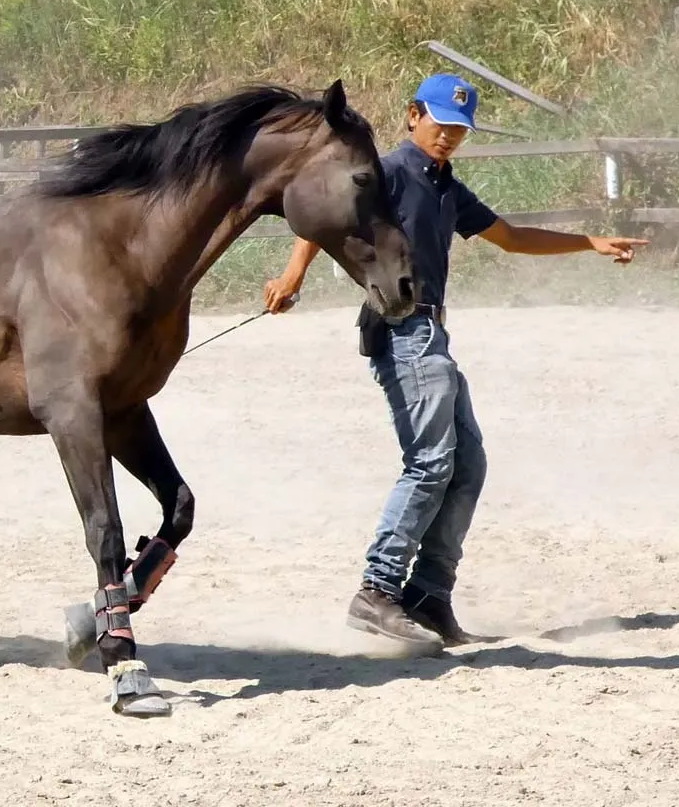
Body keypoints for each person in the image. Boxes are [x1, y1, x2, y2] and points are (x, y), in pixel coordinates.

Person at [262, 72, 648, 653]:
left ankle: (428, 594)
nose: (448, 136)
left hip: (433, 332)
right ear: (412, 114)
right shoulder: (387, 172)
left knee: (468, 464)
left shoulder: (445, 186)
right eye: (440, 123)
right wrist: (293, 273)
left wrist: (587, 242)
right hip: (402, 328)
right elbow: (326, 213)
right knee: (430, 461)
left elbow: (511, 238)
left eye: (459, 130)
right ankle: (377, 591)